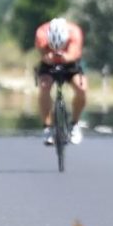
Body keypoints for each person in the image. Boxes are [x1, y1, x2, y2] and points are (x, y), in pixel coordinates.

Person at [35, 17, 86, 145]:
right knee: (44, 87)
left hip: (70, 63)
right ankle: (47, 127)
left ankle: (74, 124)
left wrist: (63, 56)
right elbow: (42, 53)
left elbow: (72, 55)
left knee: (81, 89)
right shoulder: (41, 33)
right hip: (48, 64)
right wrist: (48, 57)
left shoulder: (75, 33)